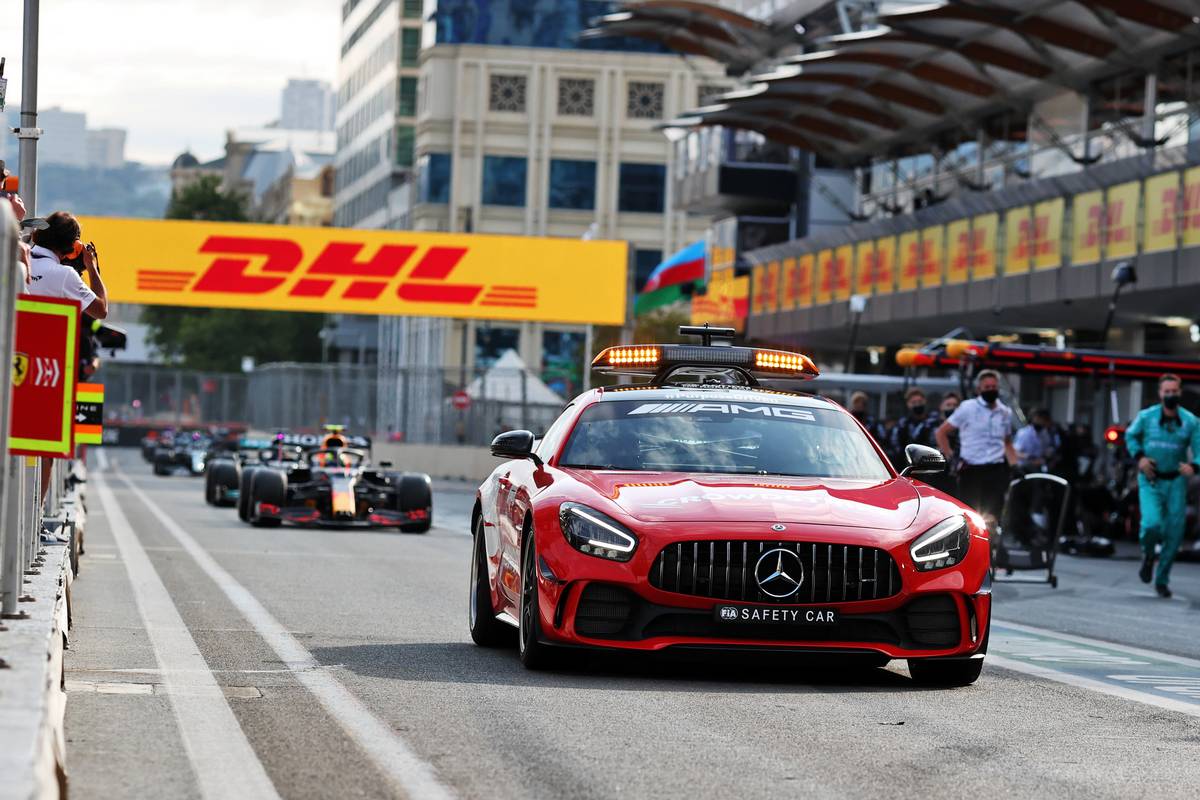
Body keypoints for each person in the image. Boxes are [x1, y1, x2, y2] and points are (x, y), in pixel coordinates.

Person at [25, 212, 109, 532]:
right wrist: (92, 268)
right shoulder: (65, 277)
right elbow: (101, 309)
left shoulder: (18, 258)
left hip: (13, 361)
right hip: (47, 371)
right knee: (45, 448)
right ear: (73, 246)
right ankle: (32, 522)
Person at [1125, 374, 1200, 598]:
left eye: (1173, 391)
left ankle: (1162, 579)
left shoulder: (1191, 421)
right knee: (1151, 524)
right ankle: (1148, 555)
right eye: (1166, 391)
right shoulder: (1146, 417)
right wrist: (1140, 458)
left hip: (1176, 481)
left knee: (1174, 534)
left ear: (1180, 392)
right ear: (1160, 393)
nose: (1169, 395)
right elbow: (1131, 436)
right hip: (1150, 479)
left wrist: (1194, 467)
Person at [936, 370, 1017, 526]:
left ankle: (991, 545)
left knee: (993, 515)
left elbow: (1007, 442)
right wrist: (950, 456)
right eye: (987, 387)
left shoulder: (1005, 412)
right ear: (979, 389)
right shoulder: (968, 408)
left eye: (994, 386)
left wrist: (1014, 465)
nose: (991, 389)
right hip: (971, 470)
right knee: (970, 514)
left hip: (996, 469)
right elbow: (942, 432)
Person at [1014, 408, 1059, 473]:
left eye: (1044, 419)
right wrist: (1029, 457)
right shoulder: (1024, 433)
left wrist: (1047, 455)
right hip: (1024, 467)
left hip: (1039, 467)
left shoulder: (1044, 433)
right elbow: (1015, 452)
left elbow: (1047, 449)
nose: (1042, 421)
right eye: (1040, 419)